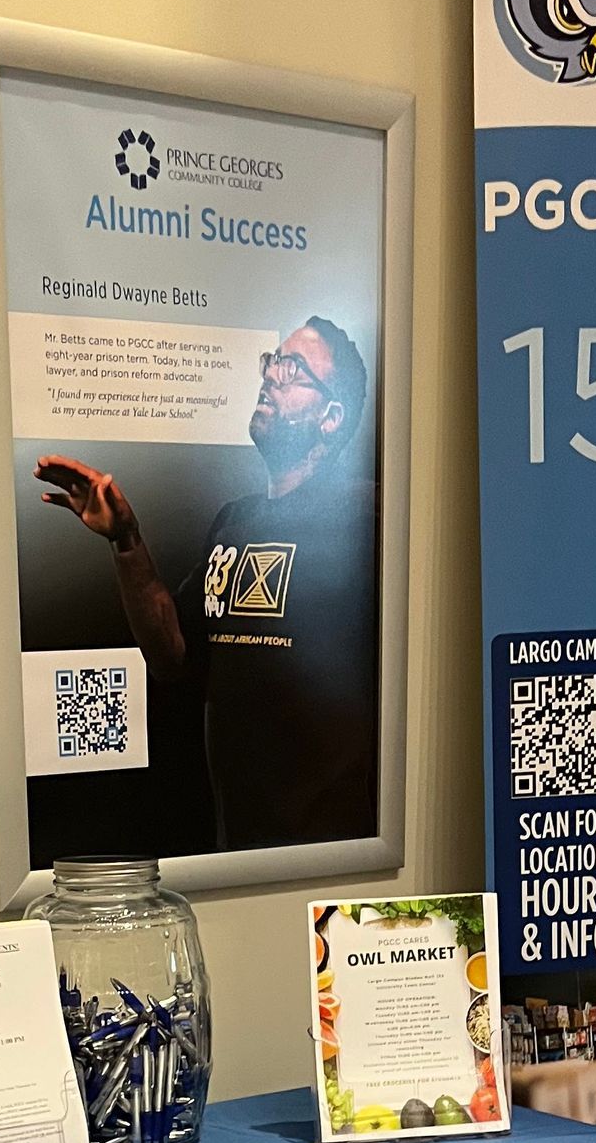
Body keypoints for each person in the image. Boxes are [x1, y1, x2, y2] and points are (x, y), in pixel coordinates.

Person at [34, 317, 378, 852]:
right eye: (273, 362)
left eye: (294, 370)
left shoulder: (369, 521)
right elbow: (172, 654)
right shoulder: (235, 522)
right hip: (237, 850)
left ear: (331, 417)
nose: (271, 377)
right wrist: (126, 540)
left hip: (335, 853)